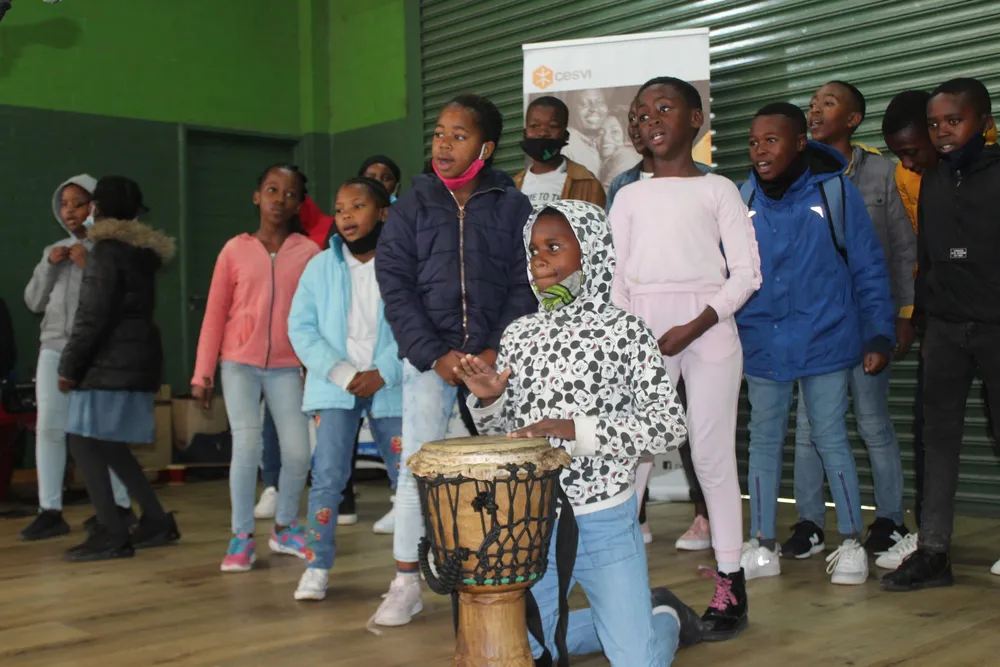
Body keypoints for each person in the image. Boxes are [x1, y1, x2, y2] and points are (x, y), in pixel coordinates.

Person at [459, 199, 697, 666]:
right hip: (533, 521)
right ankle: (616, 622)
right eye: (533, 250)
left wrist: (576, 430)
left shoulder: (626, 332)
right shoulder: (519, 335)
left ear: (592, 251)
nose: (539, 260)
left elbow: (669, 426)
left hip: (605, 519)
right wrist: (490, 401)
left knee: (638, 662)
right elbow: (508, 437)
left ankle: (664, 617)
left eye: (554, 247)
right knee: (525, 651)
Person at [373, 93, 537, 628]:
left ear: (485, 149)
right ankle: (405, 581)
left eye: (458, 136)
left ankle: (497, 573)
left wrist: (494, 350)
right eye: (439, 133)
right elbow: (395, 287)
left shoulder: (512, 206)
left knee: (499, 471)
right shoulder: (411, 206)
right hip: (430, 362)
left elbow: (524, 285)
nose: (443, 144)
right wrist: (434, 354)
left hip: (492, 361)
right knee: (418, 468)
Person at [611, 76, 761, 640]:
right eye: (641, 112)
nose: (650, 120)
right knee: (634, 455)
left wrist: (696, 323)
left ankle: (730, 582)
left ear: (695, 119)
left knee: (712, 454)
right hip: (644, 333)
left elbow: (747, 274)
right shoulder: (628, 196)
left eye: (664, 108)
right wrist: (632, 339)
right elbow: (615, 279)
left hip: (710, 328)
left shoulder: (719, 189)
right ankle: (618, 579)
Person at [737, 102, 895, 586]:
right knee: (763, 441)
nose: (760, 150)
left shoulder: (835, 192)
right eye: (754, 142)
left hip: (827, 339)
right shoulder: (742, 198)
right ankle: (762, 544)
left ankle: (850, 543)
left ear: (800, 142)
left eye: (772, 140)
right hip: (763, 341)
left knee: (830, 437)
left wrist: (878, 332)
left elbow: (868, 267)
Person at [787, 81, 917, 558]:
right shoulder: (794, 173)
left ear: (853, 118)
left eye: (828, 103)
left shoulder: (883, 172)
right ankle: (809, 523)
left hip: (867, 322)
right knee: (810, 428)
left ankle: (890, 520)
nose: (815, 111)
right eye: (812, 104)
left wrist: (903, 316)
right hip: (815, 326)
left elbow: (903, 250)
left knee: (872, 423)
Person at [882, 78, 1000, 591]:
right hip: (947, 331)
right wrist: (925, 321)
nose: (943, 132)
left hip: (996, 327)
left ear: (985, 123)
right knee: (938, 439)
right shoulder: (931, 180)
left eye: (954, 121)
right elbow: (927, 258)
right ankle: (933, 552)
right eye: (934, 124)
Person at [192, 163, 318, 572]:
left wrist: (316, 367)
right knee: (246, 447)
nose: (279, 200)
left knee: (298, 452)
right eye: (271, 190)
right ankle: (242, 536)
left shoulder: (309, 253)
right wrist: (202, 372)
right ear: (257, 196)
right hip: (239, 364)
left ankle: (284, 526)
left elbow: (316, 316)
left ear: (299, 203)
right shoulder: (234, 250)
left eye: (289, 193)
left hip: (287, 367)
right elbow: (215, 313)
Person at [288, 176, 403, 601]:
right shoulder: (320, 267)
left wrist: (384, 371)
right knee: (327, 477)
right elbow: (300, 327)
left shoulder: (402, 264)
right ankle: (316, 566)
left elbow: (415, 324)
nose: (346, 216)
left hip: (389, 385)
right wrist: (340, 372)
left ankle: (409, 573)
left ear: (383, 212)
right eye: (339, 209)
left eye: (357, 206)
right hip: (335, 387)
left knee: (408, 477)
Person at [57, 176, 180, 561]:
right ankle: (156, 520)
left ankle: (112, 532)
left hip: (108, 363)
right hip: (133, 361)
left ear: (96, 208)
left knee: (82, 441)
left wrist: (69, 365)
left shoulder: (106, 252)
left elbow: (93, 315)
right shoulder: (139, 253)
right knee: (109, 444)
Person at [19, 175, 134, 541]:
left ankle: (119, 506)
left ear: (95, 207)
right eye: (64, 204)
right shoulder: (54, 250)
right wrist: (48, 265)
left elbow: (119, 302)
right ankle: (50, 511)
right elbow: (33, 302)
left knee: (101, 431)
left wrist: (88, 267)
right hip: (54, 349)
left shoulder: (111, 249)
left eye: (78, 203)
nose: (70, 211)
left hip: (95, 352)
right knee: (49, 429)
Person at [606, 98, 713, 212]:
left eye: (644, 118)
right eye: (632, 119)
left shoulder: (707, 177)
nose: (635, 126)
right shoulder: (620, 183)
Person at [513, 96, 605, 208]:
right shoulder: (513, 186)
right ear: (525, 133)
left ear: (565, 135)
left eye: (552, 126)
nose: (542, 133)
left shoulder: (587, 184)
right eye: (534, 126)